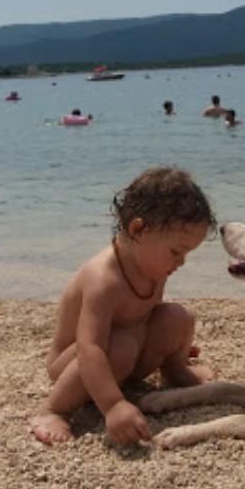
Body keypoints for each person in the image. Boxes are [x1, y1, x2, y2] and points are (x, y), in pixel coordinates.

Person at [30, 167, 217, 446]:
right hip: (76, 365)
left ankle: (175, 370)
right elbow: (90, 347)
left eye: (187, 253)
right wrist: (113, 405)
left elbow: (147, 315)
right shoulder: (103, 279)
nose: (181, 262)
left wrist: (173, 346)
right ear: (138, 229)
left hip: (126, 351)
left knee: (178, 318)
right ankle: (55, 410)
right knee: (121, 346)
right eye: (176, 252)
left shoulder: (153, 267)